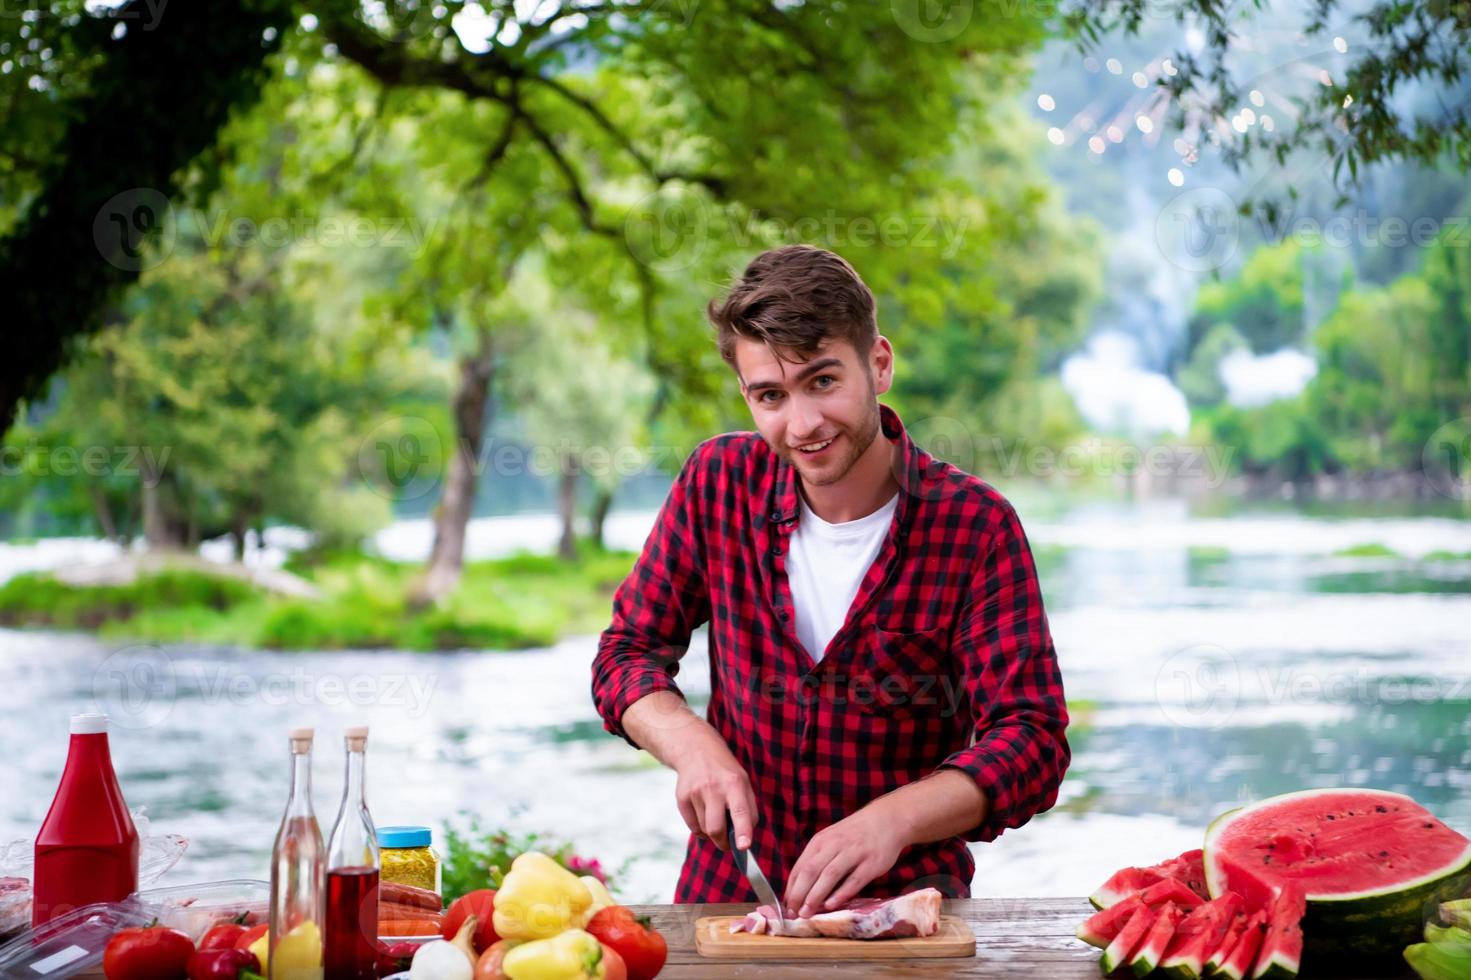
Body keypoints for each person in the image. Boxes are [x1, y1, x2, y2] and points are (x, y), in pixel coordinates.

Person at [591, 244, 1069, 915]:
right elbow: (626, 654)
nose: (803, 424)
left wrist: (892, 820)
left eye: (821, 382)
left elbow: (1031, 738)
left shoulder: (976, 527)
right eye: (770, 396)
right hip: (728, 903)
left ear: (878, 364)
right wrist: (691, 746)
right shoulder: (716, 484)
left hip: (900, 916)